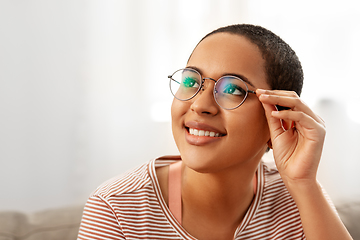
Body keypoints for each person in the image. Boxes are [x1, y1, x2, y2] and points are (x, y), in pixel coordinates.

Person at [77, 24, 353, 239]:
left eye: (233, 89)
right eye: (190, 81)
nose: (200, 105)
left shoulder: (298, 198)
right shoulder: (116, 209)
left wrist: (304, 184)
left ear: (278, 118)